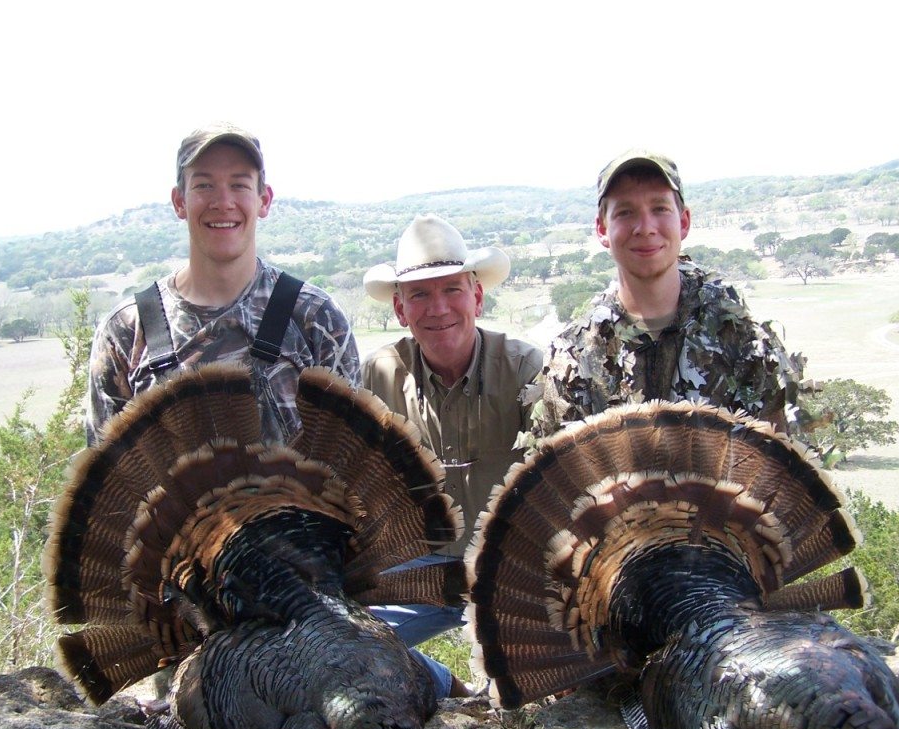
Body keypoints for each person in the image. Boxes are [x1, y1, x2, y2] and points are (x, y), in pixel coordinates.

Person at [86, 122, 360, 446]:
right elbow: (107, 481)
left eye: (239, 185)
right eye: (204, 186)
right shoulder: (127, 330)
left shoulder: (317, 318)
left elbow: (353, 470)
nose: (223, 201)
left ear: (264, 200)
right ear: (179, 202)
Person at [362, 214, 544, 693]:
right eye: (419, 294)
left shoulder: (526, 371)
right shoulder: (378, 376)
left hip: (511, 573)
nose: (437, 307)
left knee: (539, 679)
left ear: (477, 297)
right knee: (343, 645)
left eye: (452, 290)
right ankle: (445, 687)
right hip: (421, 573)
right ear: (400, 310)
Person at [532, 149, 804, 440]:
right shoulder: (573, 358)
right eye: (625, 212)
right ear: (602, 229)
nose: (645, 228)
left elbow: (783, 471)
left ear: (684, 222)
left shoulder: (745, 343)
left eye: (659, 209)